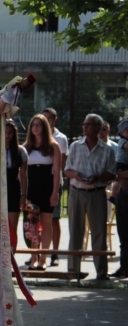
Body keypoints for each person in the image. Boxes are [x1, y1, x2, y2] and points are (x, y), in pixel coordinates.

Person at [65, 114, 116, 281]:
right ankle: (73, 270)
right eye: (84, 124)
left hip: (97, 193)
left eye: (88, 125)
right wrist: (77, 176)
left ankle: (101, 272)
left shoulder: (107, 150)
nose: (84, 127)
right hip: (76, 192)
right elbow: (67, 170)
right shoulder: (74, 146)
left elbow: (112, 173)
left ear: (97, 128)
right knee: (75, 231)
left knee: (99, 232)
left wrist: (99, 177)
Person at [24, 114, 61, 270]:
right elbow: (22, 172)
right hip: (31, 190)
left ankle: (43, 259)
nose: (36, 127)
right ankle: (34, 258)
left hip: (46, 189)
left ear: (45, 127)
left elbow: (57, 172)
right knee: (31, 224)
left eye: (39, 124)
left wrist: (55, 193)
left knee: (46, 224)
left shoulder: (53, 146)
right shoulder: (26, 147)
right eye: (33, 125)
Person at [42, 107, 68, 267]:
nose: (46, 121)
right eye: (43, 118)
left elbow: (61, 164)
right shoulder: (38, 136)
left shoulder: (61, 138)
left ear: (54, 119)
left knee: (54, 219)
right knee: (35, 218)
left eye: (49, 118)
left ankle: (54, 253)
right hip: (39, 183)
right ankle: (37, 254)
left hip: (53, 182)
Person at [2, 120, 29, 247]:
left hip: (13, 190)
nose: (7, 136)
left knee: (12, 228)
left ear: (14, 134)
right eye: (5, 133)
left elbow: (23, 175)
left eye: (10, 133)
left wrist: (23, 195)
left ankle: (11, 259)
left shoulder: (20, 151)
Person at [111, 120, 128, 278]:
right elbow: (117, 174)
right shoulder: (123, 143)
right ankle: (124, 267)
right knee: (124, 233)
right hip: (125, 192)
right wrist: (121, 176)